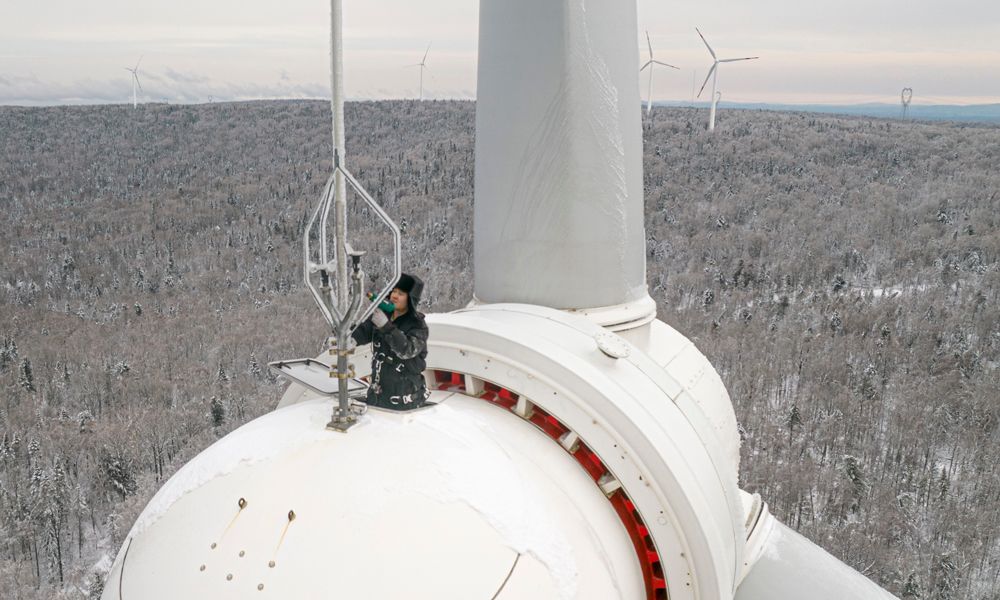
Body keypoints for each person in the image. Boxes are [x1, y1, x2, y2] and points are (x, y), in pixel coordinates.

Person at [352, 273, 430, 410]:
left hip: (405, 403)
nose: (395, 296)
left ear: (410, 299)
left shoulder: (418, 326)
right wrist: (346, 334)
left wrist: (386, 327)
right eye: (394, 291)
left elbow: (407, 350)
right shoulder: (383, 315)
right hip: (378, 398)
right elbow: (364, 332)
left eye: (401, 293)